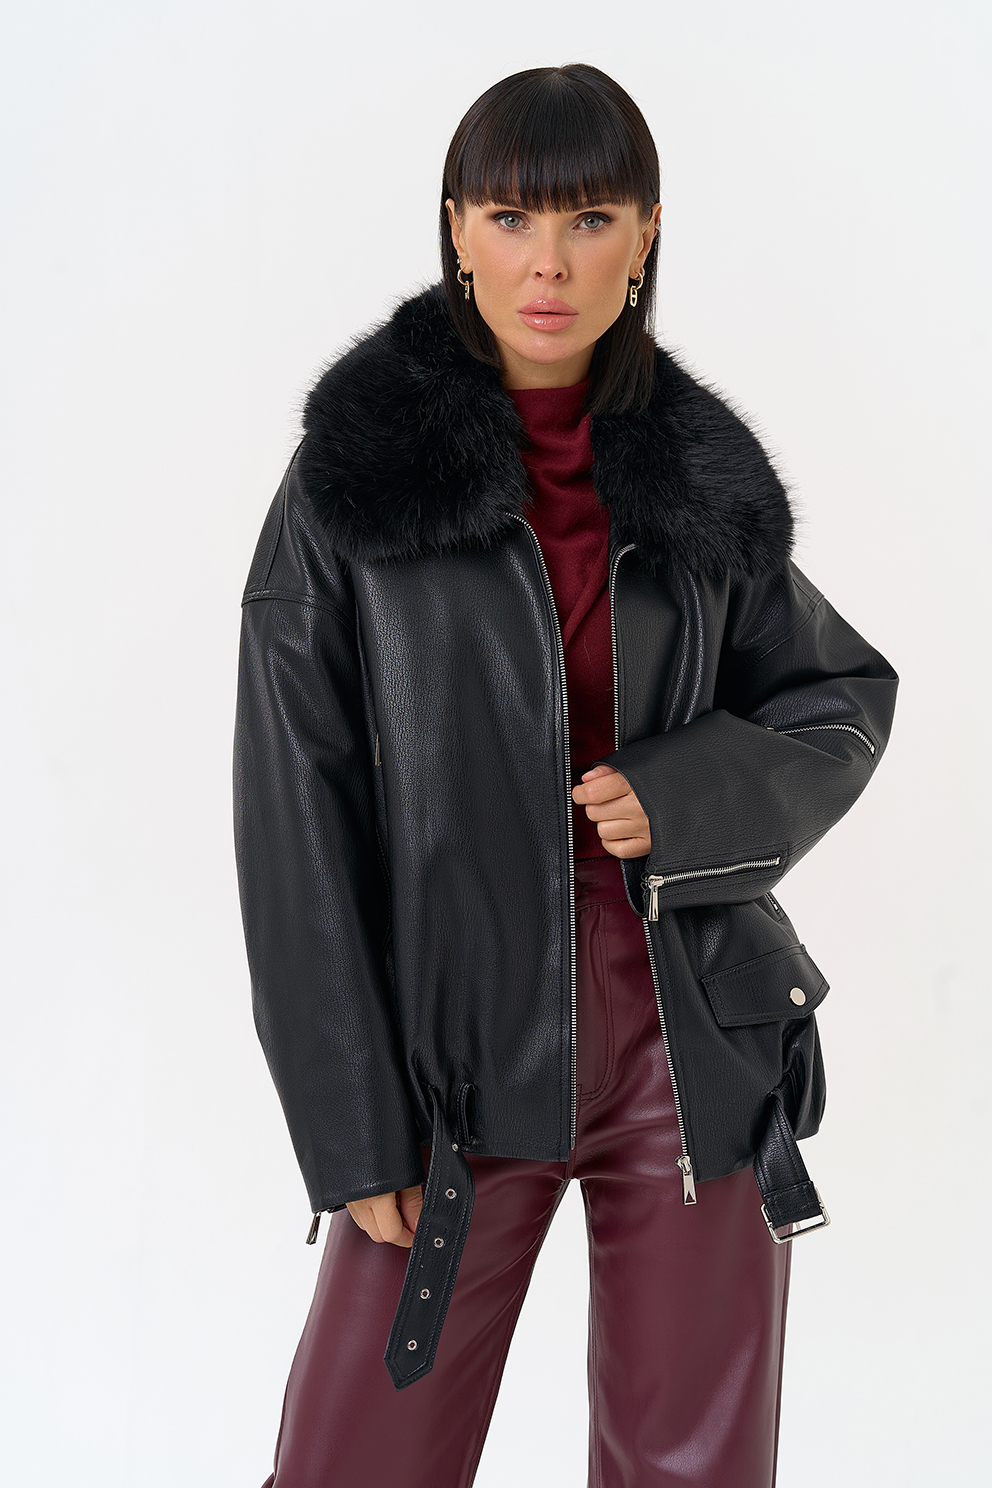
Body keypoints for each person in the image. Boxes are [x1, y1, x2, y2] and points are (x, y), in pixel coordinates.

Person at [233, 62, 898, 1488]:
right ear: (457, 229)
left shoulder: (700, 483)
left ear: (644, 235)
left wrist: (689, 799)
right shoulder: (356, 485)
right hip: (454, 1066)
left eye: (590, 219)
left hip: (691, 1046)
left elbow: (840, 697)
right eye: (512, 217)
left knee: (692, 1470)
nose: (550, 261)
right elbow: (296, 813)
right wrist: (351, 1125)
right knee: (355, 1462)